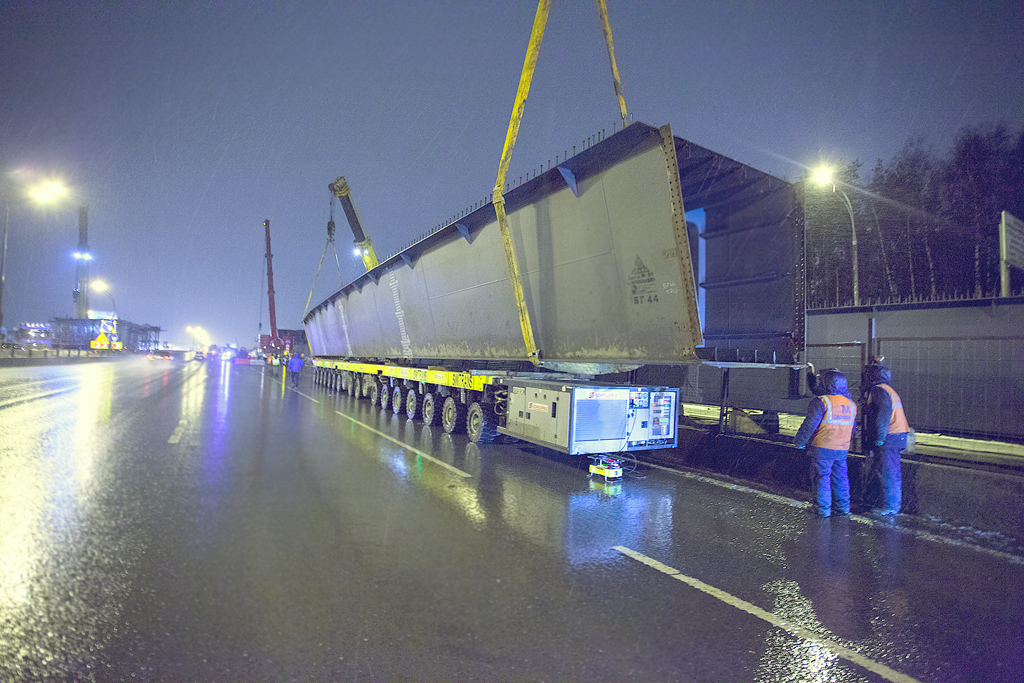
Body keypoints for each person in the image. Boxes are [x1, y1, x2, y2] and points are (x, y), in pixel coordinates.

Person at [794, 368, 857, 517]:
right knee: (841, 478)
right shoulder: (851, 404)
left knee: (821, 477)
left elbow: (810, 424)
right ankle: (843, 507)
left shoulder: (821, 401)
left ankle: (822, 508)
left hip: (823, 447)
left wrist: (800, 441)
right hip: (842, 448)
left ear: (825, 383)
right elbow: (852, 429)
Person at [861, 360, 909, 515]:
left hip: (890, 435)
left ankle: (890, 507)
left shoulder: (879, 390)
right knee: (885, 470)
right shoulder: (887, 389)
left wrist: (880, 437)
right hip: (896, 435)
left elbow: (883, 414)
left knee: (888, 471)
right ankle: (879, 502)